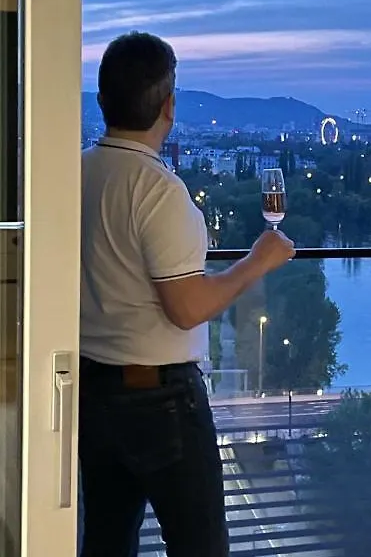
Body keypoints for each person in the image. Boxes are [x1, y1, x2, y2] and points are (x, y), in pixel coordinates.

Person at [78, 31, 295, 557]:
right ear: (169, 106)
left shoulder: (75, 174)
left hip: (89, 389)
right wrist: (258, 261)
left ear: (103, 100)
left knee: (107, 539)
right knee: (200, 545)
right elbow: (187, 308)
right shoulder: (158, 190)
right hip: (160, 402)